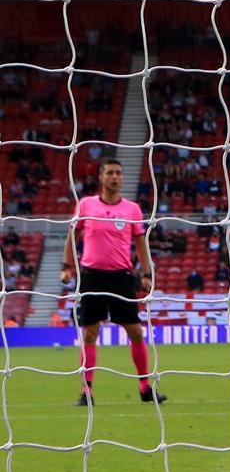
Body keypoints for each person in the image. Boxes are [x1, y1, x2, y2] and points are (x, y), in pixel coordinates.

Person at [63, 158, 166, 406]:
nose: (114, 177)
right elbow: (72, 236)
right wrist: (67, 266)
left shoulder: (132, 209)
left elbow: (141, 243)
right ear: (101, 177)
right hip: (92, 276)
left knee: (136, 332)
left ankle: (144, 387)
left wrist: (146, 273)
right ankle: (86, 391)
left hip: (121, 277)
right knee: (90, 333)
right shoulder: (86, 205)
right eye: (109, 172)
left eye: (118, 173)